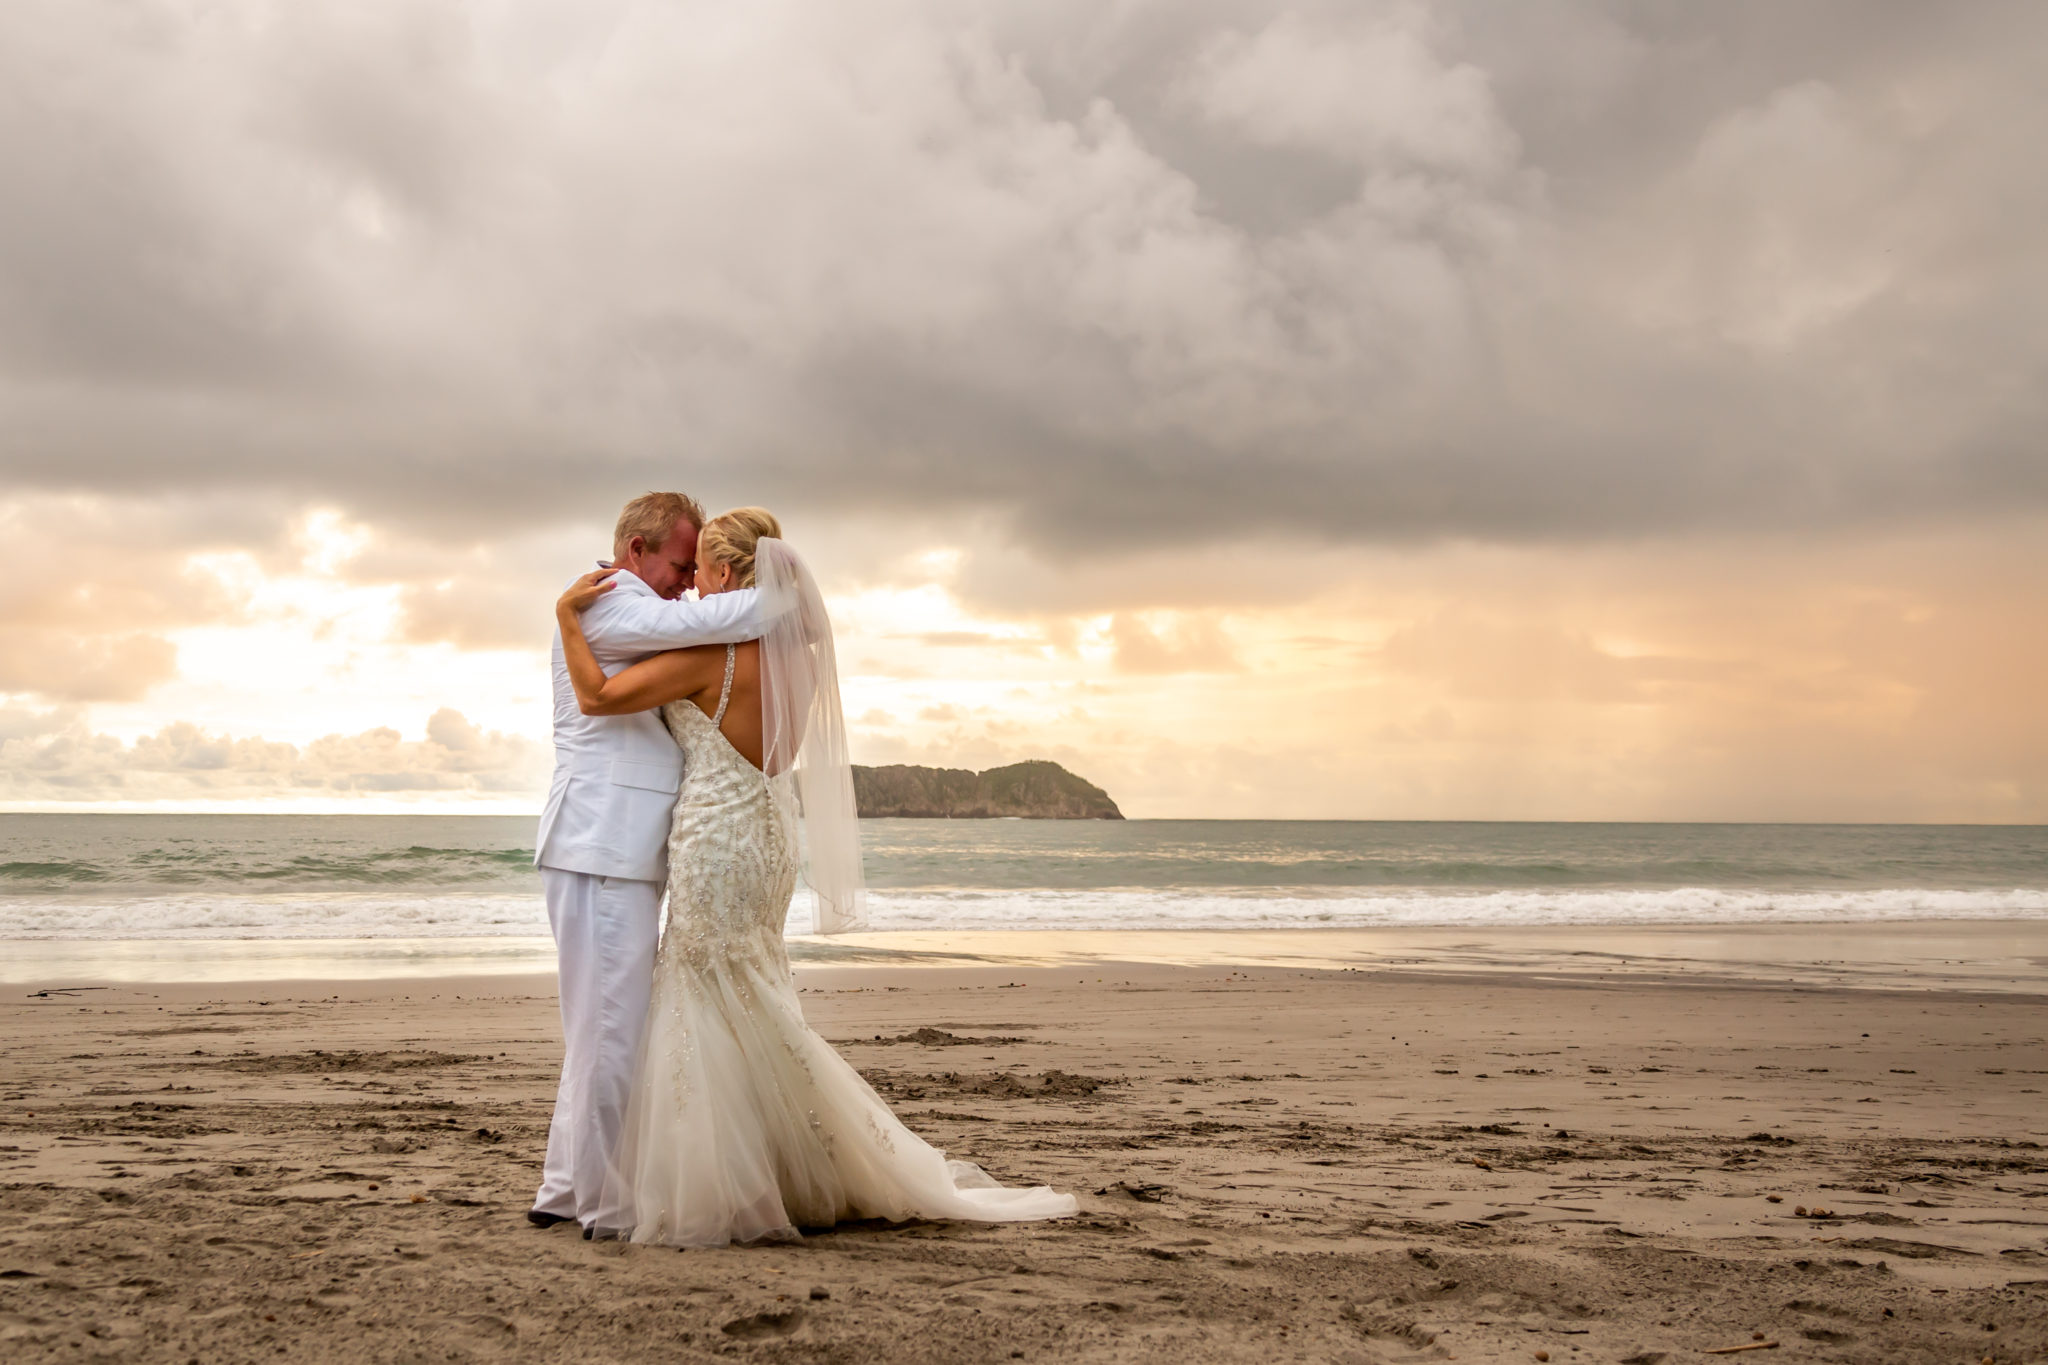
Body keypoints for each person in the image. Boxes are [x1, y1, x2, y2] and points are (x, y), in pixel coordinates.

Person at [553, 507, 1076, 1246]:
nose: (694, 589)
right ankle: (786, 1159)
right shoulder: (798, 657)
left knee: (703, 984)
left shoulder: (713, 656)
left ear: (730, 574)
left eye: (702, 571)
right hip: (770, 835)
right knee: (753, 983)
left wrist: (568, 622)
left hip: (718, 837)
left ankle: (723, 1180)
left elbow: (598, 697)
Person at [529, 492, 772, 1234]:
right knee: (613, 1030)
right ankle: (604, 1205)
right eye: (677, 563)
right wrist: (789, 599)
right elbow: (718, 618)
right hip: (604, 845)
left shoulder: (612, 606)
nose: (685, 583)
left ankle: (566, 1187)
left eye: (697, 566)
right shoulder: (608, 604)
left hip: (604, 844)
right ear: (635, 551)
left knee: (599, 1028)